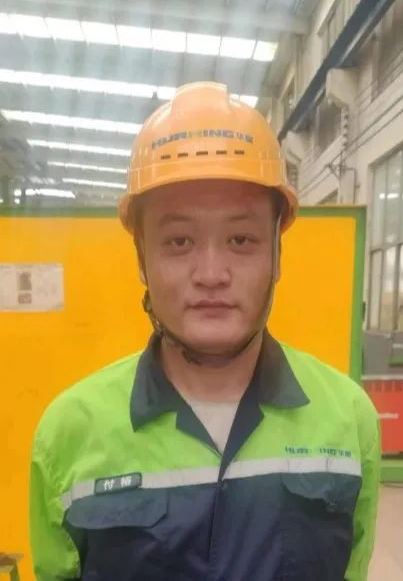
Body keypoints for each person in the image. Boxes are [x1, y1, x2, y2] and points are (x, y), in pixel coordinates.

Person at [30, 82, 380, 581]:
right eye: (179, 241)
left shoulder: (347, 420)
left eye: (241, 239)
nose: (212, 274)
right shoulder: (69, 433)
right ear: (142, 259)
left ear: (277, 255)